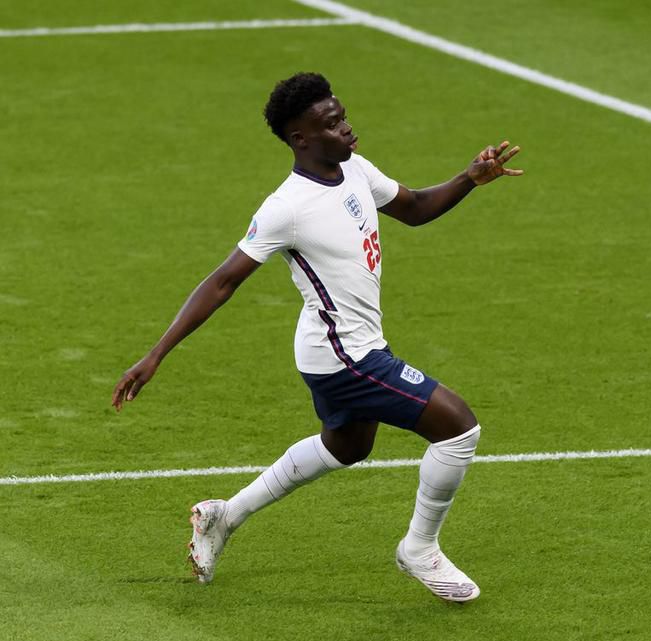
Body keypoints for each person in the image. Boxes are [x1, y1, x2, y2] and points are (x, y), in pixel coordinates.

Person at [111, 72, 522, 602]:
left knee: (348, 446)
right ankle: (419, 550)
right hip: (345, 356)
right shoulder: (286, 207)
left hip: (344, 346)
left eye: (343, 115)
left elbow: (415, 209)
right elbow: (222, 281)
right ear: (300, 139)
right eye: (331, 124)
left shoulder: (355, 171)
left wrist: (470, 177)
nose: (347, 129)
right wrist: (155, 355)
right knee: (458, 429)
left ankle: (222, 516)